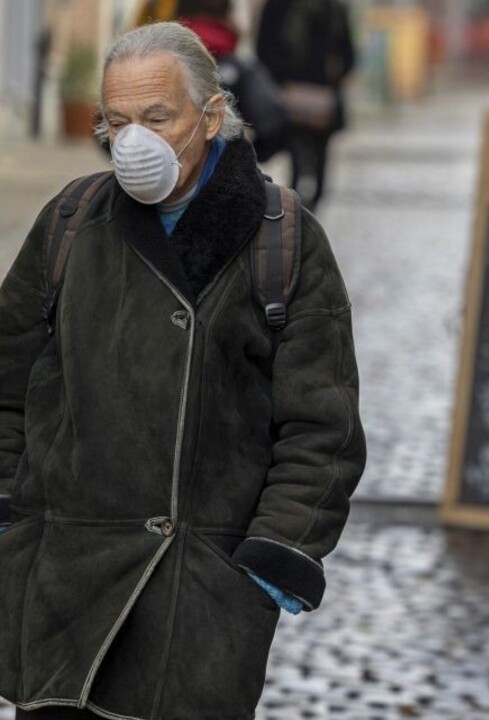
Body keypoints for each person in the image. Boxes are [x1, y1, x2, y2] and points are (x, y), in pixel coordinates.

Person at [0, 22, 365, 720]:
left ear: (213, 115)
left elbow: (323, 428)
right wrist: (12, 521)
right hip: (63, 589)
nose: (133, 141)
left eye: (157, 118)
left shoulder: (283, 239)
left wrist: (264, 565)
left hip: (199, 601)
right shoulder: (71, 222)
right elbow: (5, 380)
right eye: (116, 122)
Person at [256, 0, 356, 210]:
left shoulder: (333, 9)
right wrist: (282, 81)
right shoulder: (278, 6)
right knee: (296, 161)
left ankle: (306, 216)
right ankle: (297, 216)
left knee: (319, 170)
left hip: (322, 102)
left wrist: (335, 73)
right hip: (289, 99)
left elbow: (349, 56)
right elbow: (263, 50)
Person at [176, 0, 289, 162]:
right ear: (227, 14)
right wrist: (248, 158)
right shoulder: (239, 67)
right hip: (222, 171)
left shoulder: (162, 61)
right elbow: (273, 120)